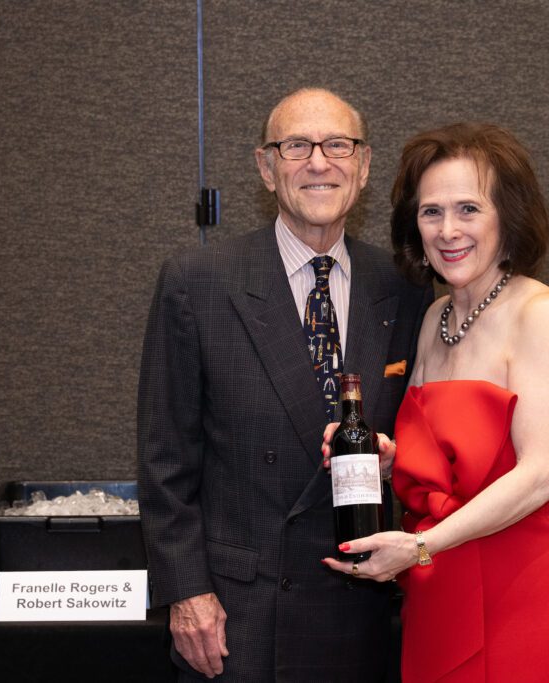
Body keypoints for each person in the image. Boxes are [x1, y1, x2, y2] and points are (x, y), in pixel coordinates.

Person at [136, 87, 433, 681]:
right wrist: (185, 593)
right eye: (296, 146)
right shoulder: (198, 283)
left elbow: (419, 435)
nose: (319, 162)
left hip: (360, 610)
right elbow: (165, 460)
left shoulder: (402, 285)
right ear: (266, 169)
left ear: (365, 166)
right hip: (238, 617)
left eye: (338, 145)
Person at [322, 123, 549, 682]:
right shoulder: (432, 319)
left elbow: (543, 473)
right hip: (436, 582)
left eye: (469, 209)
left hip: (523, 581)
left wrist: (421, 547)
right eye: (431, 212)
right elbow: (442, 459)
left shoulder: (541, 314)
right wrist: (390, 461)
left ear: (508, 218)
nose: (448, 230)